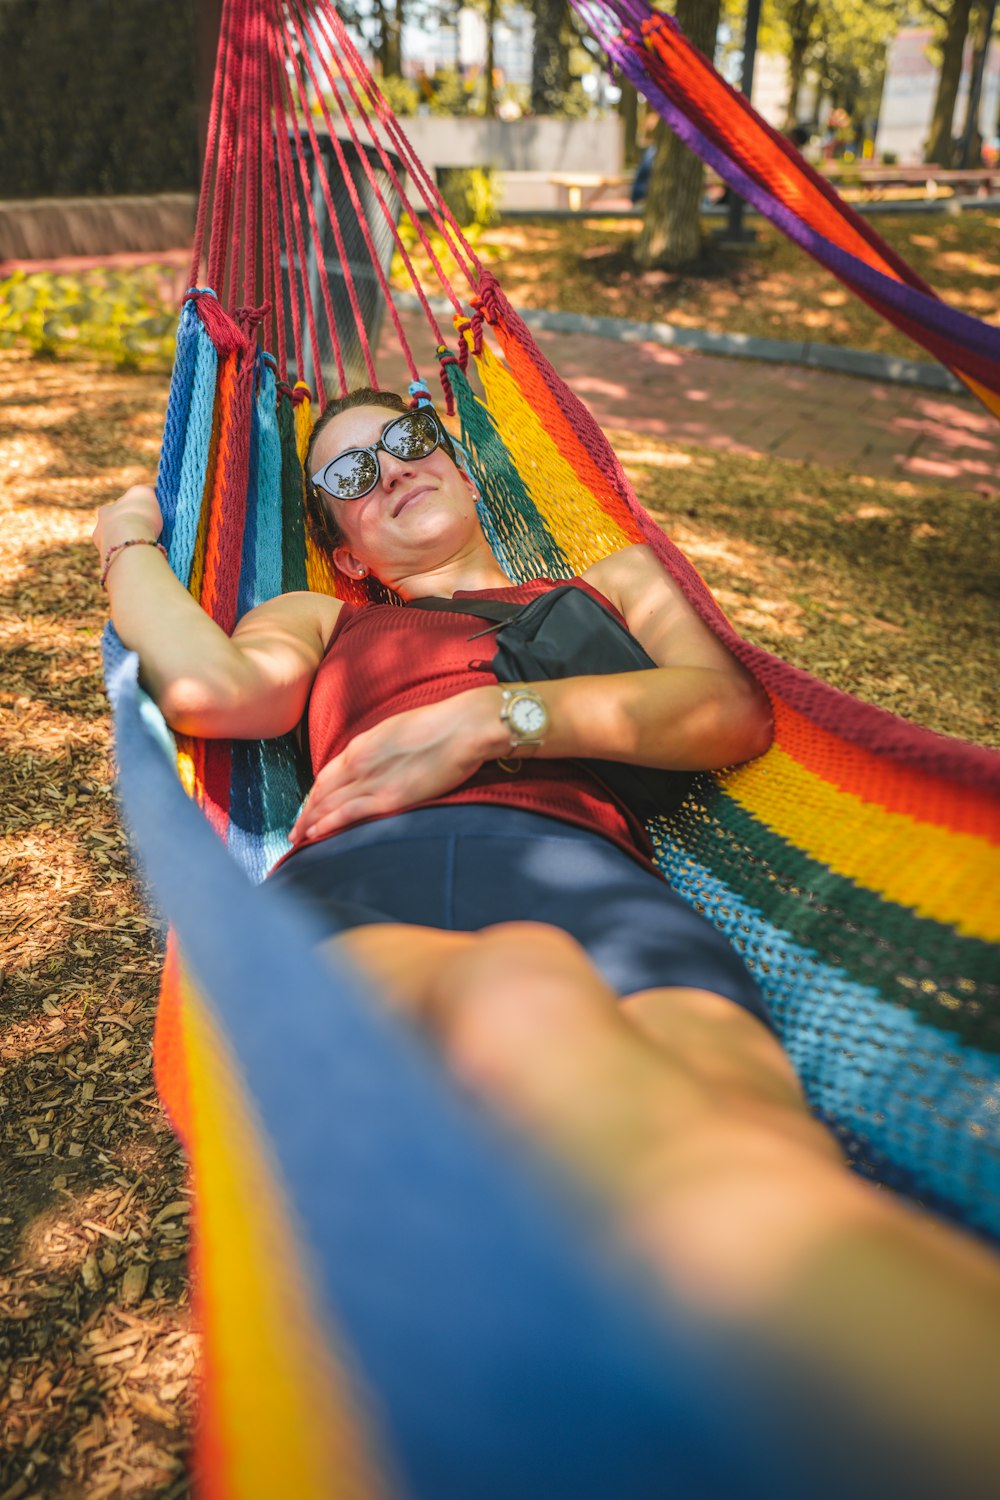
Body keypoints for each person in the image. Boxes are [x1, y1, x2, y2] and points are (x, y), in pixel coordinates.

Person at [94, 388, 1000, 1491]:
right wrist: (129, 544)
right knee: (522, 1001)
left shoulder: (610, 582)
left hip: (602, 883)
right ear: (350, 550)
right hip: (368, 882)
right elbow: (208, 686)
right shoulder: (325, 616)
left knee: (754, 1126)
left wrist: (486, 719)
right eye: (348, 477)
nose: (387, 471)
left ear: (463, 465)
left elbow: (728, 715)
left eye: (407, 442)